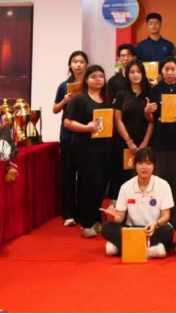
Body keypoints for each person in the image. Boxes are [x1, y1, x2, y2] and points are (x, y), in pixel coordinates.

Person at [64, 64, 112, 238]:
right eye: (93, 77)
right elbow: (68, 122)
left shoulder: (107, 98)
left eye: (101, 76)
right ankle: (86, 223)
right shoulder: (80, 99)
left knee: (101, 184)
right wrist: (87, 128)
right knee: (88, 184)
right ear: (86, 80)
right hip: (85, 148)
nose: (98, 79)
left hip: (105, 147)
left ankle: (96, 218)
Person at [100, 148, 174, 259]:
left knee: (167, 231)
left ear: (154, 166)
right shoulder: (126, 187)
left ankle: (123, 247)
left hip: (154, 229)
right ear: (134, 165)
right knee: (106, 228)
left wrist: (156, 224)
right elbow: (120, 217)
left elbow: (166, 216)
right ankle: (149, 250)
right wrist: (112, 217)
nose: (144, 167)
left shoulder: (163, 185)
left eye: (148, 163)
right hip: (132, 229)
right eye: (140, 163)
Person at [145, 57, 176, 216]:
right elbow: (150, 119)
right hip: (160, 140)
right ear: (161, 71)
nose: (170, 73)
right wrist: (147, 112)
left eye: (173, 69)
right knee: (160, 178)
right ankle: (160, 213)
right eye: (166, 69)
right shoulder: (155, 90)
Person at [53, 50, 88, 227]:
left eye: (81, 61)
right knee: (67, 174)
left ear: (86, 65)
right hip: (67, 135)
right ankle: (68, 214)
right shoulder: (63, 86)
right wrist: (64, 101)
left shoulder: (90, 85)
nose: (78, 65)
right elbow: (55, 109)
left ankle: (83, 213)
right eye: (75, 61)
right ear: (70, 65)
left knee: (84, 175)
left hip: (86, 135)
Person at [109, 61, 154, 201]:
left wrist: (144, 144)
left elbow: (152, 122)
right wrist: (129, 142)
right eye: (132, 72)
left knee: (143, 175)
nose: (135, 75)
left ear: (143, 74)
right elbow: (118, 120)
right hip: (124, 142)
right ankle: (120, 207)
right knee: (123, 176)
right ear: (127, 75)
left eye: (138, 72)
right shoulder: (121, 94)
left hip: (144, 142)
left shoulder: (150, 94)